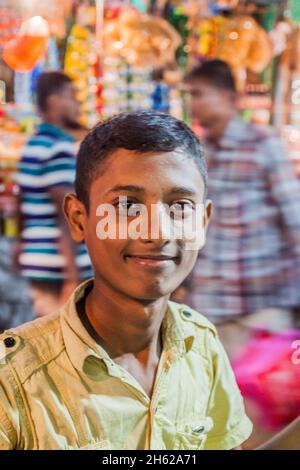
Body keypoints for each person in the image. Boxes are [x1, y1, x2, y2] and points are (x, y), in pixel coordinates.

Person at [0, 111, 255, 450]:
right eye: (126, 205)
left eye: (180, 207)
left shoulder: (201, 346)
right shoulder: (14, 382)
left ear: (203, 222)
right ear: (79, 219)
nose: (157, 232)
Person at [184, 59, 300, 359]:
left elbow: (295, 218)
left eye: (199, 94)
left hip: (261, 309)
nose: (192, 103)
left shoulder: (262, 146)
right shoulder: (196, 153)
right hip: (210, 308)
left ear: (228, 98)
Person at [16, 71, 92, 317]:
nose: (77, 104)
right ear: (53, 102)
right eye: (71, 96)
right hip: (58, 266)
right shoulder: (57, 148)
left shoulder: (35, 144)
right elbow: (66, 214)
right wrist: (72, 277)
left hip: (38, 260)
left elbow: (22, 204)